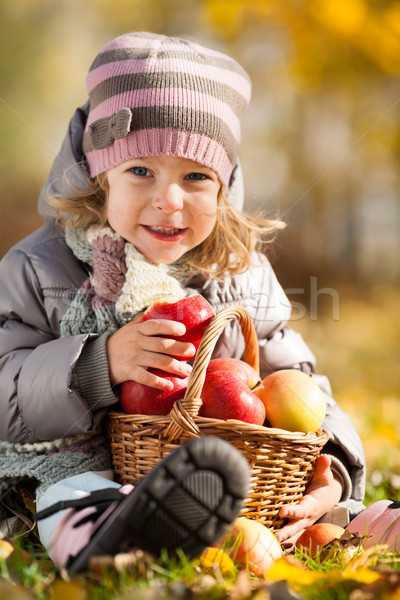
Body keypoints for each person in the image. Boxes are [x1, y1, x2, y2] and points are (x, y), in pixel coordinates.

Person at [0, 31, 366, 572]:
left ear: (224, 189)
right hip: (83, 469)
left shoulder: (239, 274)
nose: (169, 200)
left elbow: (298, 382)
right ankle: (120, 538)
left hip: (236, 483)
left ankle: (362, 521)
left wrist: (327, 463)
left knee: (322, 514)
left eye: (196, 177)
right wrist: (98, 364)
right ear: (100, 175)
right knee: (71, 495)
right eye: (141, 170)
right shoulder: (40, 267)